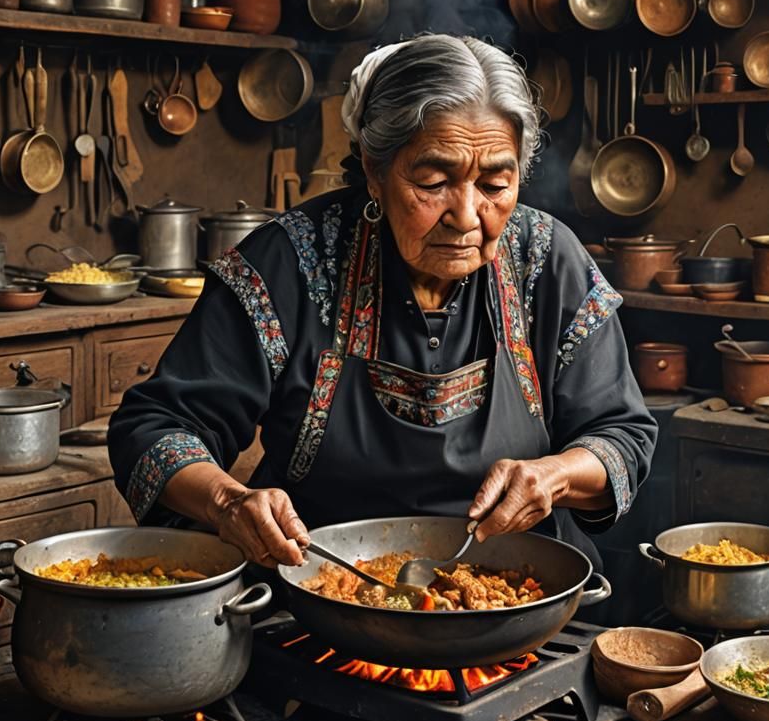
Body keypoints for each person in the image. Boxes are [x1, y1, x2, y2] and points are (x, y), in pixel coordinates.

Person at [108, 34, 657, 572]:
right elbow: (155, 428)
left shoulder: (547, 259)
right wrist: (228, 502)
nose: (466, 215)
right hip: (326, 585)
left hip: (522, 591)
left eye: (494, 184)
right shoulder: (292, 262)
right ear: (374, 169)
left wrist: (556, 476)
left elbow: (622, 436)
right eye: (434, 181)